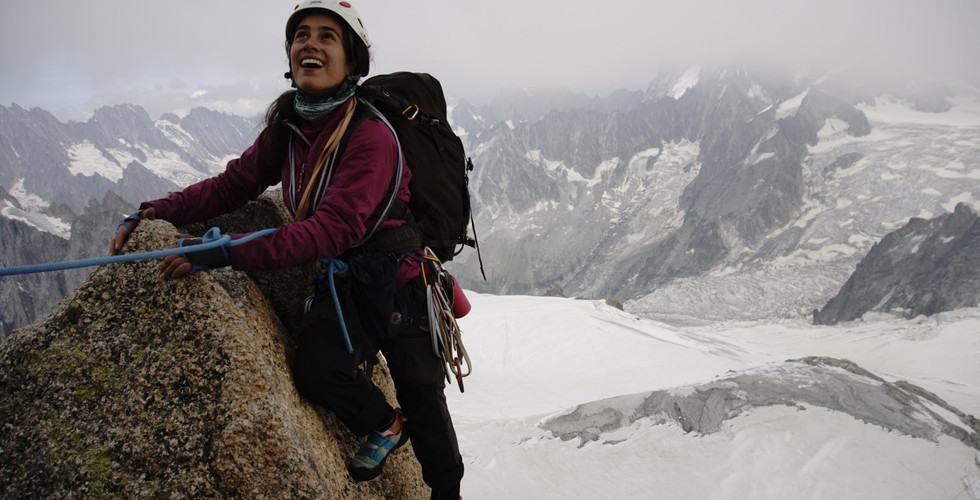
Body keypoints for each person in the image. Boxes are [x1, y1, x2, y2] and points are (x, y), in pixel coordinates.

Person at [109, 1, 464, 497]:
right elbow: (233, 185)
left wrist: (224, 251)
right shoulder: (291, 126)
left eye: (326, 36)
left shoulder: (372, 136)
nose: (310, 44)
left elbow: (328, 232)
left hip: (399, 280)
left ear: (352, 61)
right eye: (301, 34)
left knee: (425, 400)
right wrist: (157, 209)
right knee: (317, 369)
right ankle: (385, 423)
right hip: (344, 280)